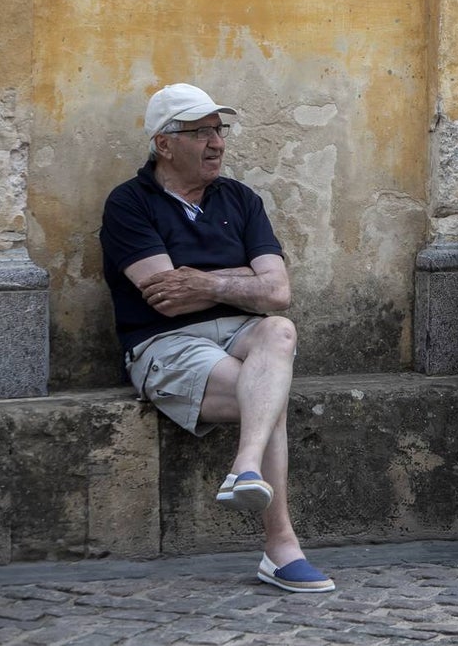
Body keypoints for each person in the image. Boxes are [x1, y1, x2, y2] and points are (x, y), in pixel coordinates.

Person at [100, 83, 334, 592]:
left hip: (242, 332)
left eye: (219, 130)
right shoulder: (129, 203)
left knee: (280, 330)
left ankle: (245, 465)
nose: (217, 143)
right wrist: (243, 279)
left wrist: (206, 283)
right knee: (267, 395)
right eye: (200, 132)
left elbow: (278, 293)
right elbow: (166, 297)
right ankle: (281, 546)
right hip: (166, 344)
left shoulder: (240, 199)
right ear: (164, 144)